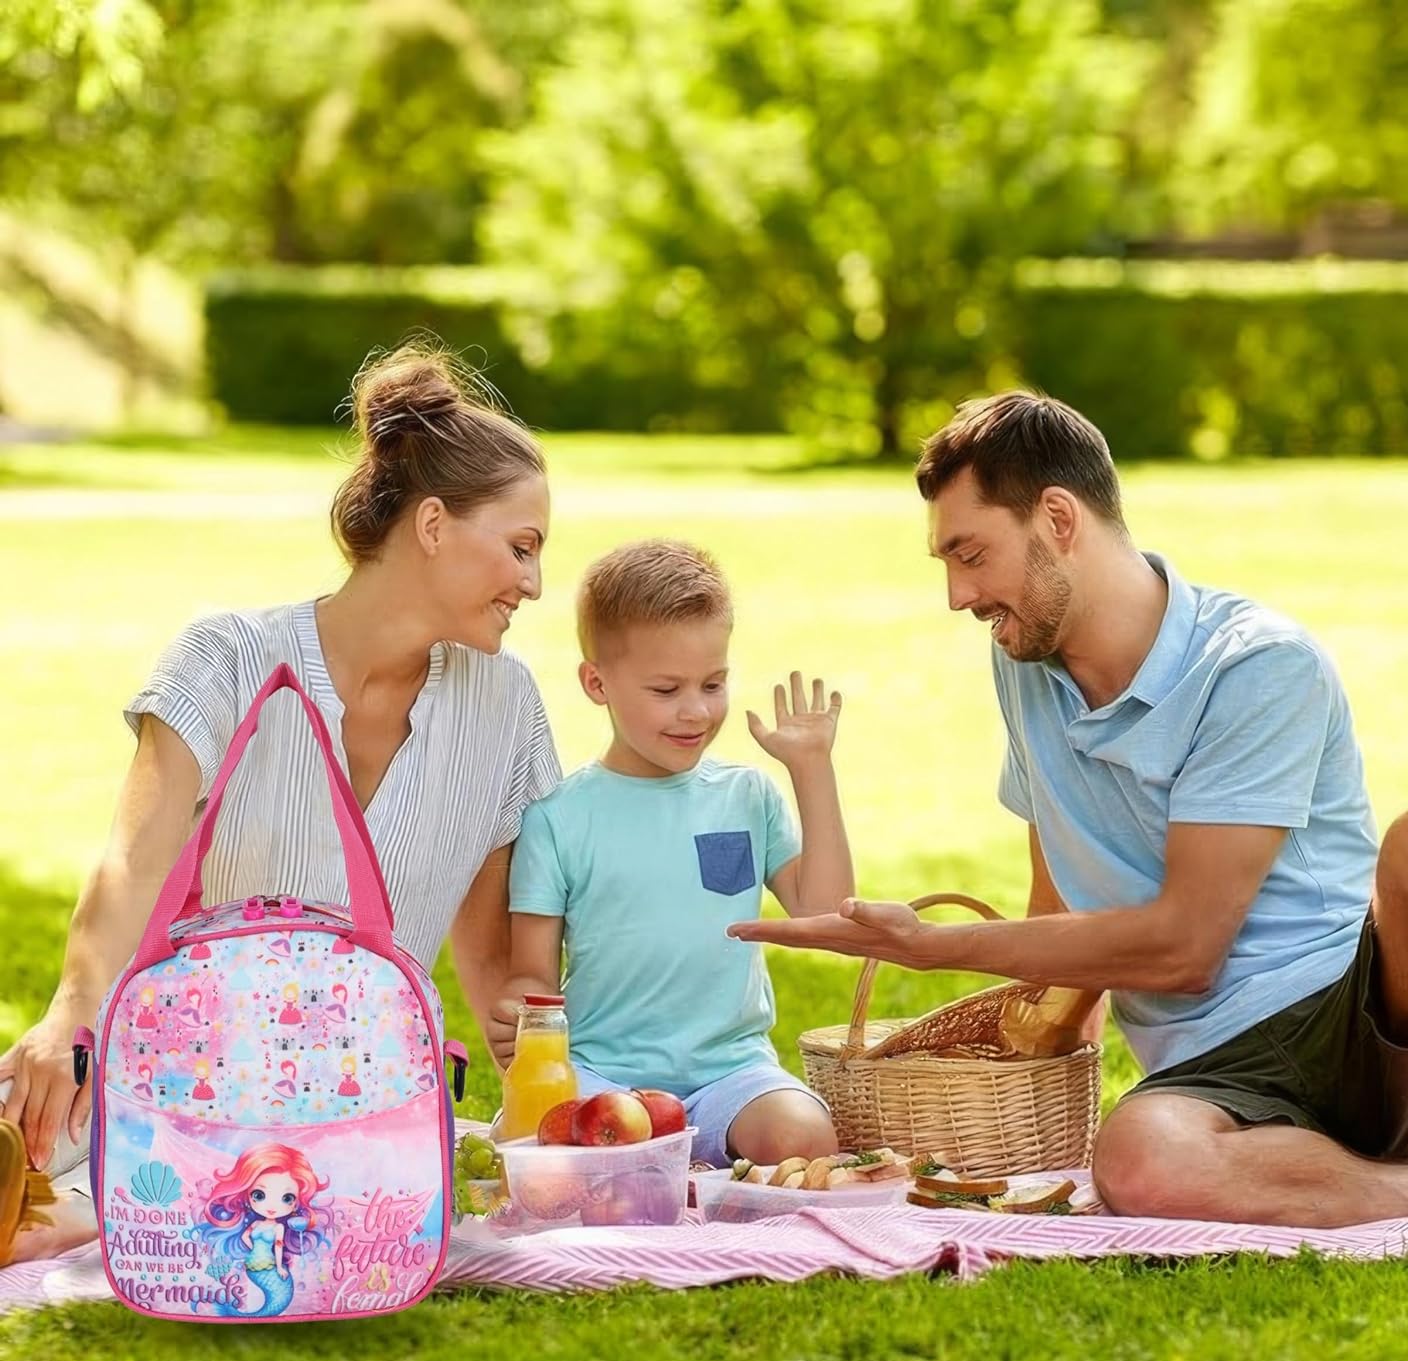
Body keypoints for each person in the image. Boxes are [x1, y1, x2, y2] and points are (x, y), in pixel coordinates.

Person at [730, 391, 1408, 1227]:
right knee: (1139, 1158)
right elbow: (1056, 900)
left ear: (1058, 518)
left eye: (971, 554)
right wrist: (1029, 1065)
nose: (958, 595)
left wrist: (933, 947)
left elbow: (1186, 948)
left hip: (1364, 1017)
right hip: (1221, 1079)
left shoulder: (1254, 665)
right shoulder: (1022, 663)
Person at [0, 343, 560, 1265]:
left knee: (273, 1195)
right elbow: (130, 863)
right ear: (431, 525)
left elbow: (492, 949)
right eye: (521, 546)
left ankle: (112, 1216)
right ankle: (104, 1202)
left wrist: (543, 1091)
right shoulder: (223, 657)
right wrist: (72, 1012)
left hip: (366, 1099)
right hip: (180, 1073)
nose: (533, 583)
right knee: (35, 1133)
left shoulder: (505, 705)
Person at [500, 540, 850, 1166]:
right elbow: (531, 973)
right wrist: (525, 1035)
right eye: (666, 689)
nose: (696, 711)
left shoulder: (747, 795)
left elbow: (824, 918)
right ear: (596, 682)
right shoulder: (558, 818)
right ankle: (664, 1162)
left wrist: (811, 771)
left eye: (713, 684)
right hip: (600, 1073)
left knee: (806, 1140)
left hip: (731, 1075)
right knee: (534, 1145)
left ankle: (678, 1155)